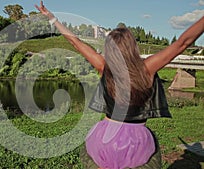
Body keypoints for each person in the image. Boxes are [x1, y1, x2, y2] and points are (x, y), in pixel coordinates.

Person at [35, 1, 204, 169]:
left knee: (87, 151)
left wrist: (52, 19)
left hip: (106, 137)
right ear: (132, 47)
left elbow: (75, 43)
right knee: (153, 151)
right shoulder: (147, 68)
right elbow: (182, 43)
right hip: (137, 142)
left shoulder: (103, 66)